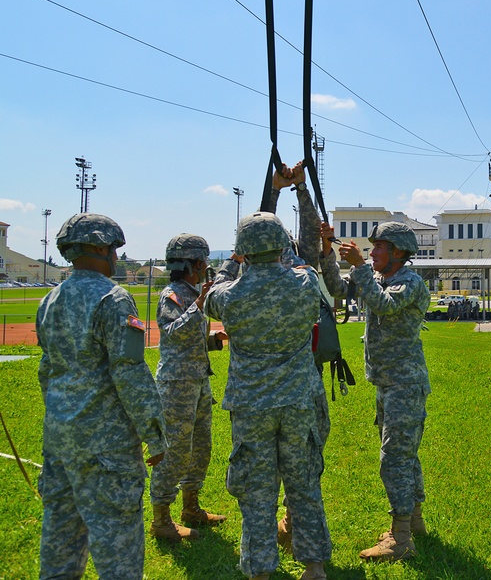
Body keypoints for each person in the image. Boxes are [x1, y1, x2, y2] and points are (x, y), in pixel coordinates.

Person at [36, 213, 166, 580]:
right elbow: (129, 371)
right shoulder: (113, 298)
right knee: (117, 547)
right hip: (105, 447)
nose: (116, 256)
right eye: (112, 248)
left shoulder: (50, 300)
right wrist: (154, 432)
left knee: (61, 540)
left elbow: (48, 371)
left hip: (60, 440)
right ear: (97, 248)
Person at [205, 211, 330, 580]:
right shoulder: (304, 282)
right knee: (304, 484)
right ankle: (314, 566)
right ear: (281, 246)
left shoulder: (228, 295)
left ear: (242, 248)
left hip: (251, 405)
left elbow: (213, 291)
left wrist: (234, 259)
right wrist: (280, 250)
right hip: (297, 399)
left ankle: (260, 571)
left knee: (256, 494)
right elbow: (301, 268)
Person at [264, 162, 350, 554]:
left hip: (284, 380)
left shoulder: (270, 271)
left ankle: (289, 521)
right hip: (292, 381)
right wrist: (293, 188)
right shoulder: (292, 273)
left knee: (294, 453)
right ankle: (292, 522)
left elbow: (307, 236)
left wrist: (288, 189)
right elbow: (302, 238)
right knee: (301, 453)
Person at [338, 222, 431, 562]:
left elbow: (383, 305)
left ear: (398, 253)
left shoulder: (410, 283)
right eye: (372, 247)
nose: (373, 252)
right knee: (404, 455)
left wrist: (360, 267)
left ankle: (401, 539)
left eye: (379, 247)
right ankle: (414, 524)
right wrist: (323, 250)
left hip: (405, 385)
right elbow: (337, 287)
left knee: (394, 458)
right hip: (388, 383)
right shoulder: (378, 278)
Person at [149, 234, 227, 542]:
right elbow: (171, 333)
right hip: (176, 387)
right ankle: (161, 518)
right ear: (193, 264)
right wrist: (197, 306)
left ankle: (191, 507)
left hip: (197, 382)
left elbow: (190, 338)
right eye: (203, 262)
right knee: (175, 452)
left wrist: (213, 341)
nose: (207, 267)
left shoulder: (192, 293)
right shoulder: (172, 294)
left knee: (200, 449)